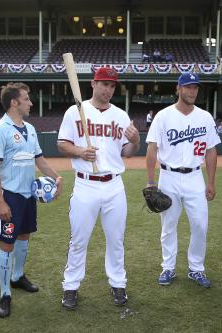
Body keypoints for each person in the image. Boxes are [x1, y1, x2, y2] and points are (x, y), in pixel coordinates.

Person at [57, 67, 140, 310]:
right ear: (93, 84)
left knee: (116, 240)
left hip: (114, 185)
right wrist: (80, 152)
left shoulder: (121, 116)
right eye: (104, 84)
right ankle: (70, 287)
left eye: (112, 85)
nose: (108, 89)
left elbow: (128, 152)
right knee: (79, 240)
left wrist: (135, 141)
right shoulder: (76, 111)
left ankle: (118, 283)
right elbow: (62, 143)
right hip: (85, 184)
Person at [0, 82, 63, 318]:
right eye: (27, 99)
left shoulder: (30, 128)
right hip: (9, 196)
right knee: (7, 243)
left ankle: (18, 277)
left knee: (24, 237)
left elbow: (39, 160)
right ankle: (5, 292)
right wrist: (0, 201)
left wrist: (56, 177)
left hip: (28, 196)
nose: (31, 103)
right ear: (14, 102)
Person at [145, 72, 220, 288]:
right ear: (178, 89)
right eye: (187, 87)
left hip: (195, 176)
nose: (191, 91)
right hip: (168, 176)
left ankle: (196, 269)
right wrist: (151, 181)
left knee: (200, 225)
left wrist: (211, 181)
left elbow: (211, 151)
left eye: (195, 87)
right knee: (168, 226)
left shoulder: (205, 117)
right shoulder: (163, 116)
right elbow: (152, 148)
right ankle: (168, 267)